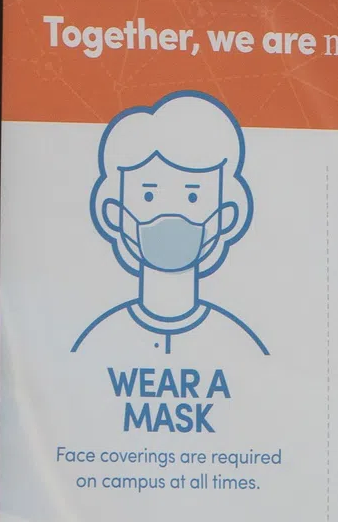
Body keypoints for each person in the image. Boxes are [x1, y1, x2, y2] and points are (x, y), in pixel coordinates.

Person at [72, 90, 268, 355]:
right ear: (113, 214)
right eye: (149, 196)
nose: (171, 217)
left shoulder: (239, 345)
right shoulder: (96, 343)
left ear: (227, 217)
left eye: (193, 196)